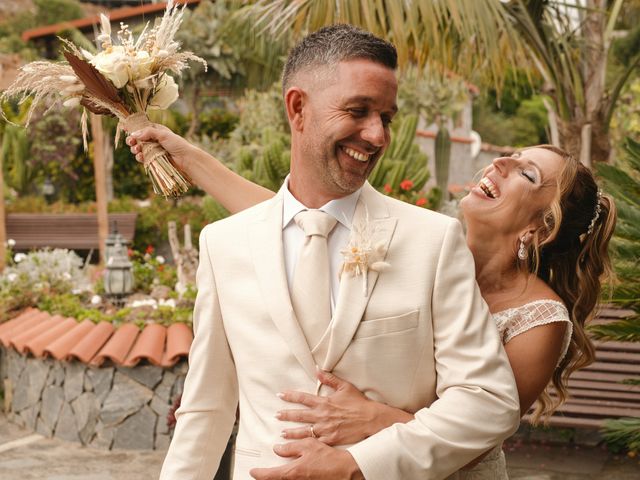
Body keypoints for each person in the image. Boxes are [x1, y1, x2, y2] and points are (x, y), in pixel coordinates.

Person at [130, 25, 521, 480]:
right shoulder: (223, 243)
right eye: (358, 111)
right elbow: (206, 408)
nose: (377, 135)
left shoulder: (433, 240)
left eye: (387, 117)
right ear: (298, 108)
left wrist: (359, 463)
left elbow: (489, 400)